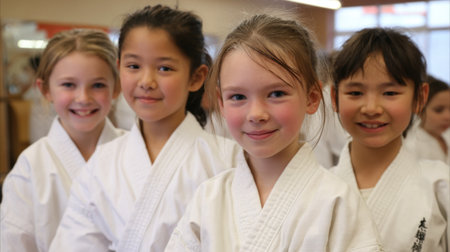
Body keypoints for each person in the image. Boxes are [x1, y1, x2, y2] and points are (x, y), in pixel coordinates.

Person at [165, 13, 382, 251]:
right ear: (221, 102)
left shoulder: (338, 201)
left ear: (311, 98)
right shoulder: (208, 198)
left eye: (276, 94)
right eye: (238, 97)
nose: (256, 113)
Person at [49, 5, 239, 252]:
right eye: (134, 66)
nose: (146, 82)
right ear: (119, 68)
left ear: (196, 77)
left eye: (164, 68)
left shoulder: (229, 158)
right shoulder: (102, 163)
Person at [0, 29, 125, 252]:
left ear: (116, 88)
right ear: (45, 89)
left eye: (98, 85)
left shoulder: (134, 151)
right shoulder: (30, 167)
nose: (83, 98)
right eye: (68, 85)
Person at [330, 28, 449, 251]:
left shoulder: (441, 186)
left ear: (420, 98)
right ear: (334, 97)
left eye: (390, 93)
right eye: (355, 93)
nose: (371, 108)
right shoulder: (318, 187)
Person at [405, 75, 450, 165]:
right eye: (438, 110)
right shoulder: (412, 145)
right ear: (419, 109)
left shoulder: (447, 134)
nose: (447, 116)